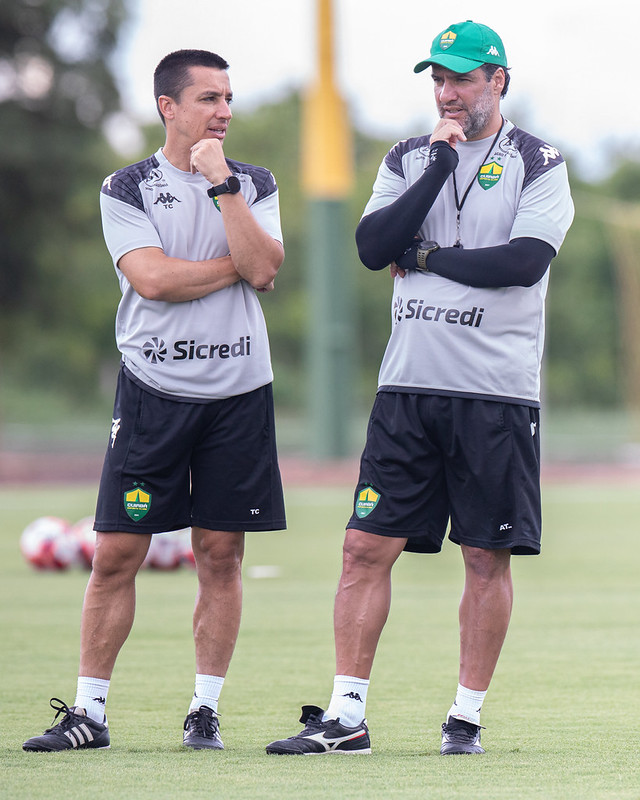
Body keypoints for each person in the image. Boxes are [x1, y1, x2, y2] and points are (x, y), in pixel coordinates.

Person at [266, 20, 573, 756]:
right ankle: (346, 717)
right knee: (362, 548)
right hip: (406, 390)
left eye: (462, 78)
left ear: (498, 80)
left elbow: (520, 263)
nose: (447, 92)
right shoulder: (408, 158)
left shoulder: (539, 161)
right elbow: (374, 247)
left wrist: (428, 255)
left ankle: (465, 719)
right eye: (438, 78)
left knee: (484, 557)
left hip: (495, 395)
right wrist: (437, 163)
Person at [23, 49, 286, 752]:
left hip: (239, 393)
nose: (223, 111)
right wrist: (237, 267)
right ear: (168, 106)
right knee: (116, 552)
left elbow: (265, 270)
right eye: (207, 98)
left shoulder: (253, 181)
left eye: (227, 98)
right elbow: (154, 281)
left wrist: (222, 185)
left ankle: (204, 711)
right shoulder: (127, 185)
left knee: (220, 554)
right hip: (153, 391)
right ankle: (90, 714)